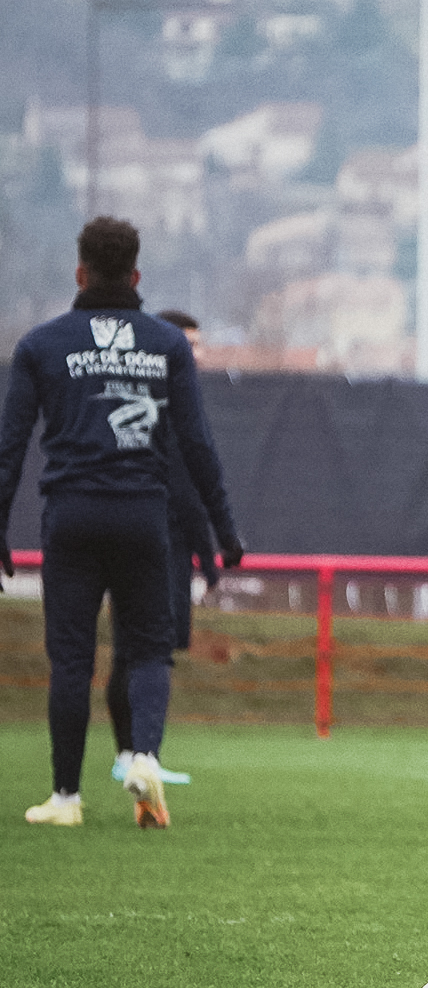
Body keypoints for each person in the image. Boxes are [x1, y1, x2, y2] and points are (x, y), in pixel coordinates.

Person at [0, 217, 243, 829]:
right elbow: (197, 444)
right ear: (137, 275)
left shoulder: (40, 346)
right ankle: (144, 757)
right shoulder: (165, 345)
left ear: (79, 273)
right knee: (149, 649)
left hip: (71, 518)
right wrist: (225, 527)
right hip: (143, 517)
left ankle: (64, 798)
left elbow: (10, 447)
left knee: (72, 658)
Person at [106, 309, 221, 788]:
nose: (195, 354)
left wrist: (204, 551)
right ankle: (132, 754)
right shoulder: (154, 402)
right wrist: (213, 550)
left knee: (143, 649)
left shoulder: (181, 400)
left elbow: (190, 488)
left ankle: (137, 754)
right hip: (143, 538)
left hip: (170, 541)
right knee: (137, 650)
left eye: (198, 345)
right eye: (187, 344)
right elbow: (185, 484)